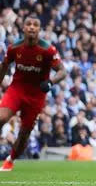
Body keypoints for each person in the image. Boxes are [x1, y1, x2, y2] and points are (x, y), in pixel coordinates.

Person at [0, 11, 67, 170]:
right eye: (28, 24)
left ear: (39, 29)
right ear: (23, 28)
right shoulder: (14, 48)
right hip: (16, 90)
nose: (31, 27)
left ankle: (11, 160)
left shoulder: (48, 50)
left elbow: (62, 71)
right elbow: (4, 67)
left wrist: (50, 82)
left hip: (36, 96)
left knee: (24, 133)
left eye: (35, 25)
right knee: (1, 118)